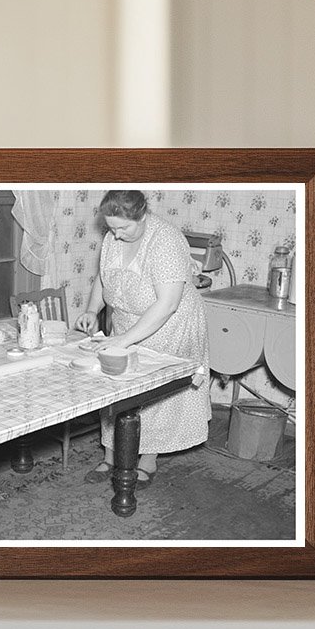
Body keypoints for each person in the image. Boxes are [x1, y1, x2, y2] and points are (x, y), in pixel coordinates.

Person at [75, 189, 210, 486]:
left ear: (143, 215)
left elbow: (167, 305)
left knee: (152, 396)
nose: (117, 235)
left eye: (124, 228)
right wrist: (91, 309)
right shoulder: (114, 238)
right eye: (111, 228)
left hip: (169, 325)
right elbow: (104, 277)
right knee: (116, 389)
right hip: (128, 324)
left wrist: (123, 341)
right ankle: (111, 457)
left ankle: (148, 461)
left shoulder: (166, 240)